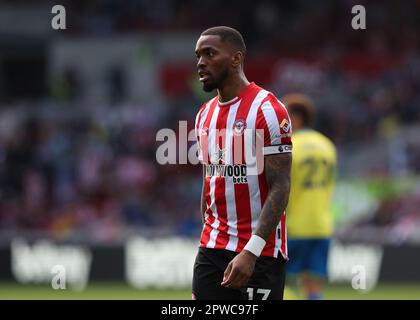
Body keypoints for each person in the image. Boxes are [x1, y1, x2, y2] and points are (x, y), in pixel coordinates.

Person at [192, 26, 293, 300]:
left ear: (236, 59)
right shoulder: (204, 115)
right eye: (198, 55)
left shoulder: (268, 110)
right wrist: (207, 235)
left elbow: (281, 186)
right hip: (212, 250)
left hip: (260, 253)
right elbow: (210, 179)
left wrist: (251, 250)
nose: (201, 62)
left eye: (209, 53)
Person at [282, 93, 337, 300]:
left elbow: (280, 187)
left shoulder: (289, 145)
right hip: (322, 225)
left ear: (296, 117)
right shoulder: (328, 146)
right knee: (313, 284)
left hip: (295, 226)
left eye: (285, 117)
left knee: (279, 281)